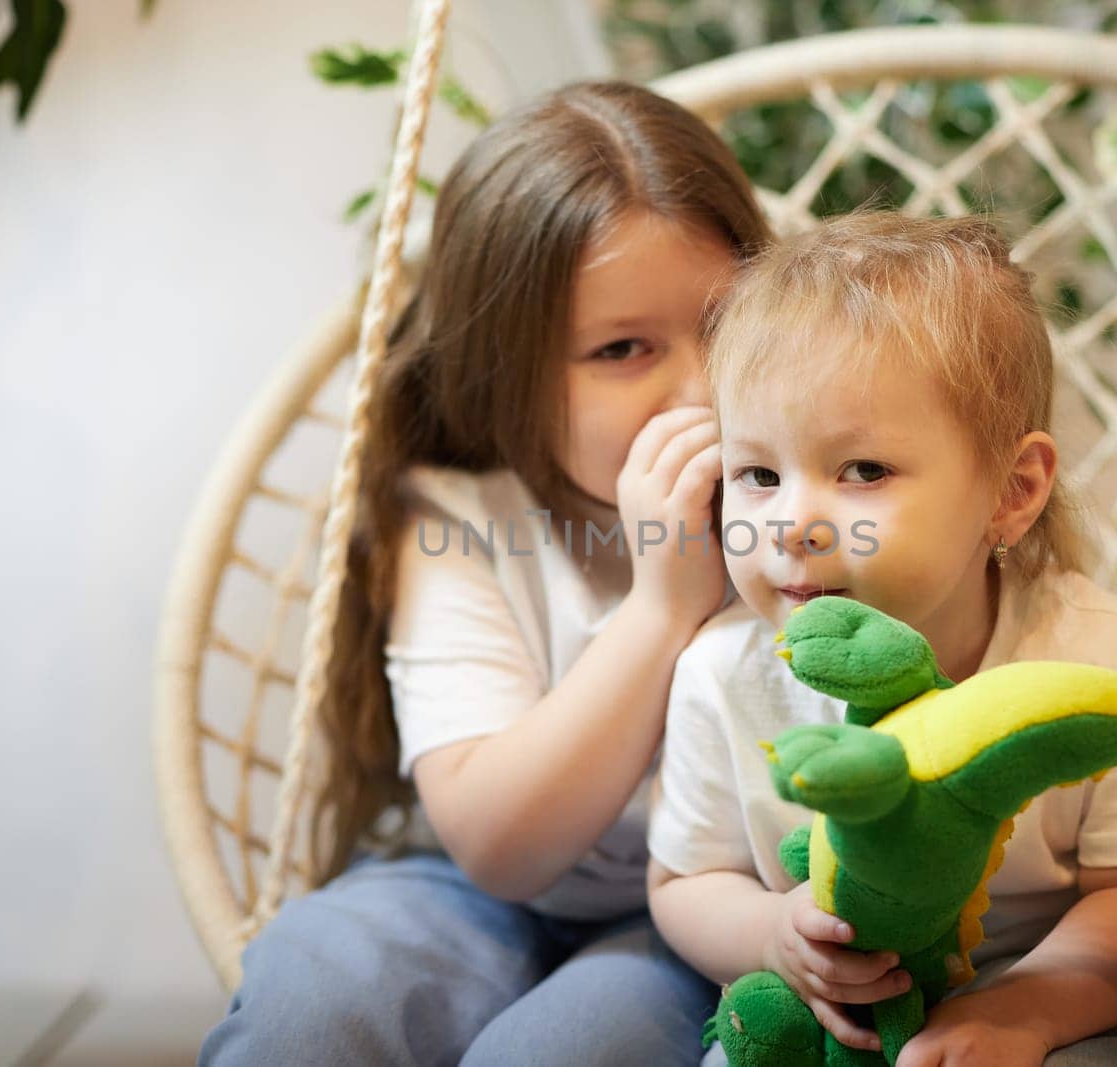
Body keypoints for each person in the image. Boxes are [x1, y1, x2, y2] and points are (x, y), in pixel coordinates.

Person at [200, 80, 771, 1066]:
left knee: (572, 1045)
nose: (698, 386)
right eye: (623, 348)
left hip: (702, 903)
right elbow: (498, 845)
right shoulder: (456, 518)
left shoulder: (802, 506)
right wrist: (663, 605)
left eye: (724, 326)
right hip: (469, 883)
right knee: (315, 996)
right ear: (503, 371)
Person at [648, 212, 1117, 1067]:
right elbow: (685, 880)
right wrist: (771, 933)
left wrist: (1025, 1014)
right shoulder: (721, 672)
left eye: (862, 471)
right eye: (758, 474)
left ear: (1011, 492)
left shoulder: (1097, 655)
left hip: (1058, 983)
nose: (792, 524)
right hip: (825, 1005)